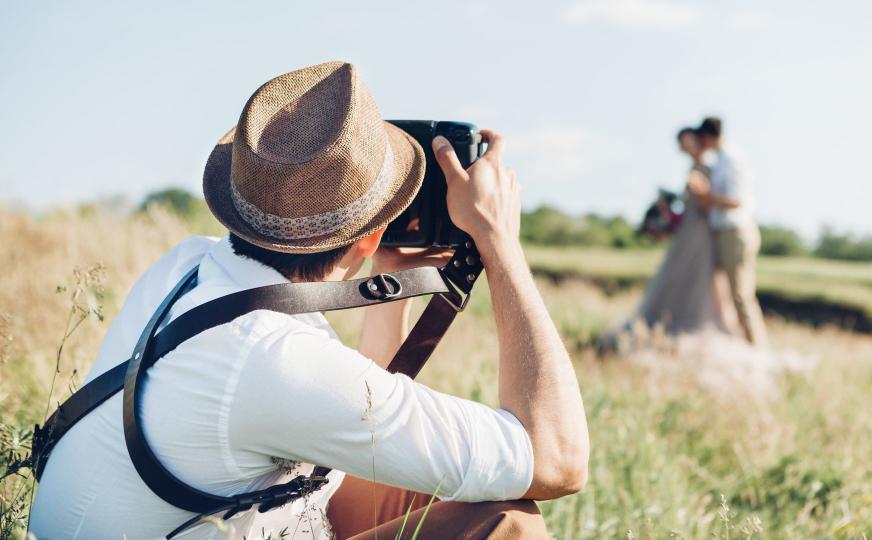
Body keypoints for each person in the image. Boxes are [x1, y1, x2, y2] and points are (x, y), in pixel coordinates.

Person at [29, 62, 589, 539]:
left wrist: (389, 277)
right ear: (370, 230)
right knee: (509, 521)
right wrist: (501, 246)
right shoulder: (273, 358)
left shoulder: (190, 264)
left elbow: (344, 415)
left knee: (404, 482)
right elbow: (558, 462)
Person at [598, 128, 731, 353]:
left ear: (699, 141)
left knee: (697, 277)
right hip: (687, 230)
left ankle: (693, 321)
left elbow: (707, 203)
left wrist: (699, 194)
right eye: (684, 144)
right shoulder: (696, 168)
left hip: (700, 231)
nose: (688, 148)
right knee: (677, 275)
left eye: (690, 142)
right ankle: (667, 322)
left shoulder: (710, 168)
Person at [689, 117, 767, 346]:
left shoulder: (732, 159)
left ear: (707, 137)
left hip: (735, 232)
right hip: (724, 231)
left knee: (741, 295)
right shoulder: (721, 159)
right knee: (725, 294)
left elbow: (736, 201)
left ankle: (758, 347)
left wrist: (705, 196)